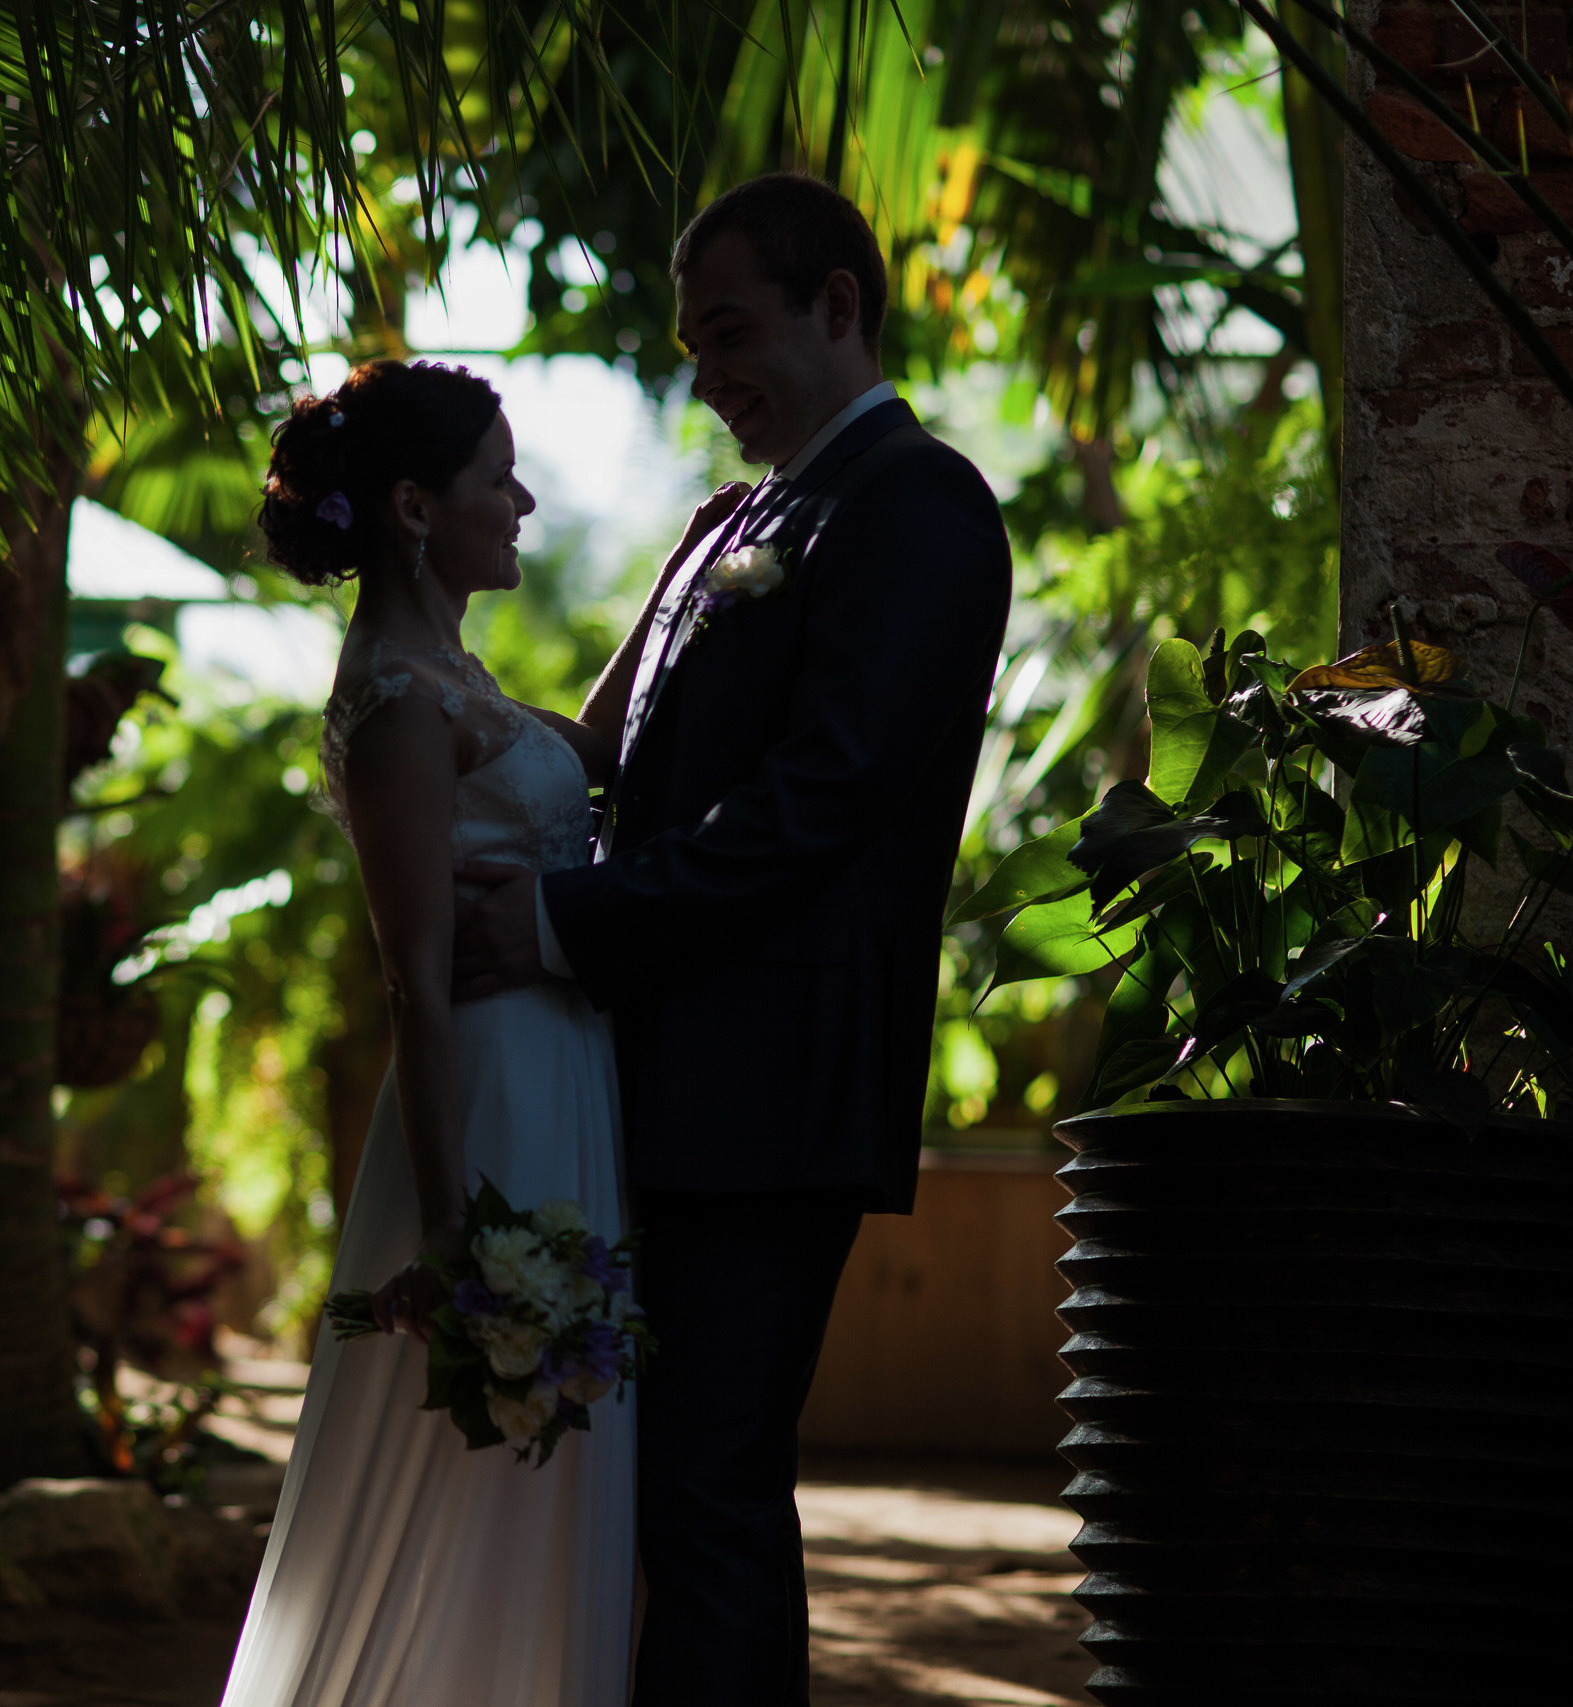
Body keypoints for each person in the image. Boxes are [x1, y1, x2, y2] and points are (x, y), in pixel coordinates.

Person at [453, 172, 1013, 1703]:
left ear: (840, 306)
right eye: (692, 345)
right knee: (656, 1494)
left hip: (770, 1089)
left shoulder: (920, 505)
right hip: (657, 1073)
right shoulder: (738, 520)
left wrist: (562, 921)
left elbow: (819, 803)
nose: (705, 378)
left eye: (732, 332)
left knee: (707, 1494)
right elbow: (617, 748)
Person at [216, 358, 751, 1707]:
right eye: (495, 477)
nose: (520, 501)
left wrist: (680, 572)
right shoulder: (397, 703)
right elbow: (416, 983)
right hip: (491, 1108)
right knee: (475, 1483)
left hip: (562, 1087)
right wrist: (451, 1229)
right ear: (411, 506)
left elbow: (590, 754)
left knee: (553, 1481)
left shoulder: (451, 669)